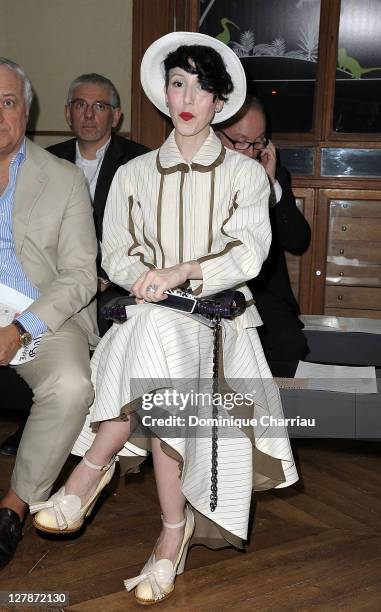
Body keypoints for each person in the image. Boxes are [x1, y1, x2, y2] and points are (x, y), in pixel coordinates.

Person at [32, 32, 298, 605]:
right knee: (154, 346)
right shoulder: (134, 175)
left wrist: (179, 273)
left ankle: (90, 471)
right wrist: (141, 280)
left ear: (219, 101)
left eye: (202, 88)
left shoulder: (246, 176)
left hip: (219, 325)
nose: (188, 96)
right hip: (151, 320)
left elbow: (249, 253)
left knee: (150, 337)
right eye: (178, 83)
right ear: (163, 91)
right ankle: (170, 536)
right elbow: (115, 253)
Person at [0, 58, 98, 570]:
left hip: (41, 316)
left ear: (27, 110)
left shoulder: (62, 179)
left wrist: (20, 328)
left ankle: (14, 506)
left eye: (8, 101)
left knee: (73, 384)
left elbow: (81, 274)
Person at [47, 73, 149, 336]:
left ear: (116, 116)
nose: (89, 115)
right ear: (68, 113)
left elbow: (146, 233)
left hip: (115, 283)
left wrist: (101, 276)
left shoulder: (141, 162)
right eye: (81, 105)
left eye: (99, 106)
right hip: (55, 279)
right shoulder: (47, 162)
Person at [216, 96, 311, 377]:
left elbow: (298, 240)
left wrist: (269, 187)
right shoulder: (200, 173)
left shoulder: (272, 172)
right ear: (217, 135)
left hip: (263, 295)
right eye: (242, 141)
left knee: (289, 348)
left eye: (259, 142)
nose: (251, 152)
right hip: (210, 290)